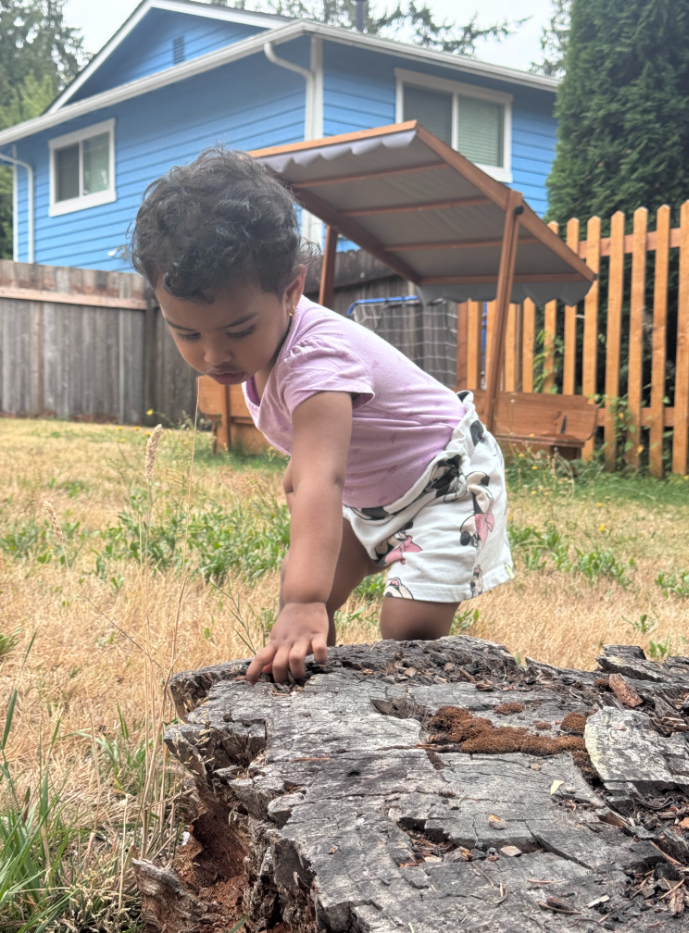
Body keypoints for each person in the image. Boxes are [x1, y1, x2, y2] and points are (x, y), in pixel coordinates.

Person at [131, 148, 513, 685]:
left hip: (445, 481)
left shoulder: (316, 361)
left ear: (291, 291)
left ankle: (427, 706)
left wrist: (304, 599)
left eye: (238, 331)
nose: (215, 355)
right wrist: (307, 597)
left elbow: (319, 477)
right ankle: (315, 699)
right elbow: (303, 471)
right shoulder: (256, 356)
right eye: (187, 333)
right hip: (375, 497)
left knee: (405, 626)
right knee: (308, 599)